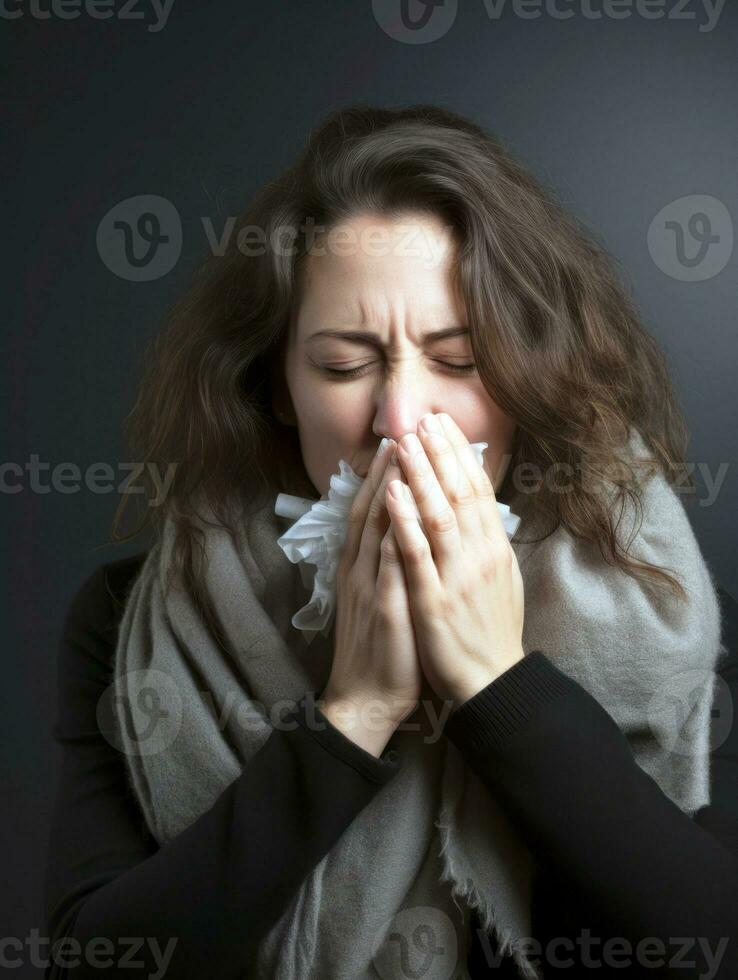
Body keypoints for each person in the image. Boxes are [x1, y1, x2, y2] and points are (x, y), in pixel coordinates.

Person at [44, 104, 738, 978]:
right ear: (279, 387)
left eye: (457, 359)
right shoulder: (127, 620)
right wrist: (354, 715)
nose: (401, 419)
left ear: (531, 380)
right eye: (344, 365)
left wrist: (500, 687)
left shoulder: (663, 603)